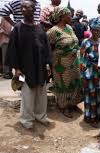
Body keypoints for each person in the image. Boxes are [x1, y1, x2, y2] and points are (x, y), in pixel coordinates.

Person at [5, 0, 51, 129]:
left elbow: (46, 47)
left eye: (27, 7)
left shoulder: (40, 27)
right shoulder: (17, 28)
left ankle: (41, 116)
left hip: (41, 66)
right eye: (22, 7)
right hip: (25, 68)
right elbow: (13, 49)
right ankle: (26, 120)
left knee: (41, 92)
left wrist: (48, 65)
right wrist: (17, 69)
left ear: (34, 9)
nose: (24, 9)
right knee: (27, 94)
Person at [47, 7, 82, 118]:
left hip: (74, 62)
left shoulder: (69, 28)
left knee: (75, 82)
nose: (71, 17)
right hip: (61, 64)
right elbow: (48, 48)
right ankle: (63, 106)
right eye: (69, 15)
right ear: (62, 17)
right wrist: (49, 63)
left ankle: (72, 104)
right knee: (64, 84)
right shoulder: (53, 31)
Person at [80, 18, 100, 128]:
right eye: (94, 30)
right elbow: (82, 60)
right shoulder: (85, 42)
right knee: (90, 95)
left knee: (98, 96)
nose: (96, 32)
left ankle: (98, 116)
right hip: (89, 74)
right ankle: (90, 117)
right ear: (91, 30)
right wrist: (82, 76)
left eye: (98, 30)